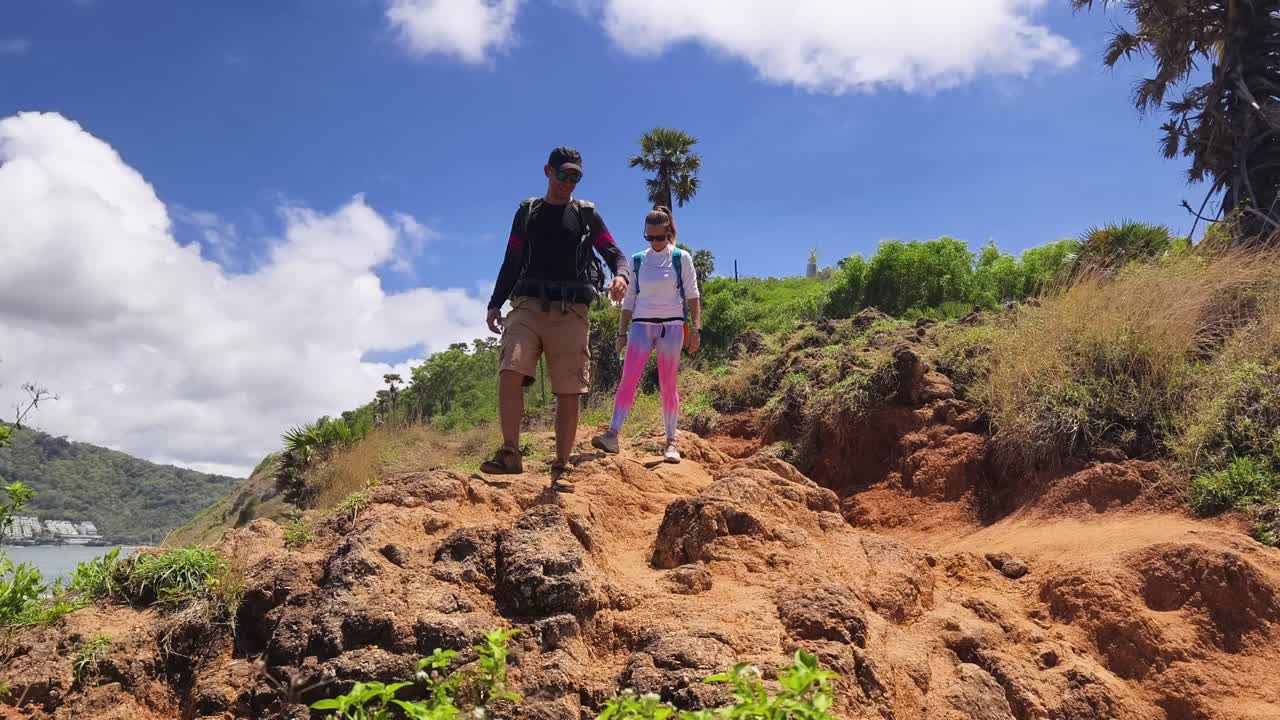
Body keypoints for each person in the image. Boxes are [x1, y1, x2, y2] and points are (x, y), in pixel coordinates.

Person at [481, 146, 628, 490]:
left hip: (571, 310)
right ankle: (510, 453)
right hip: (527, 305)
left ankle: (561, 465)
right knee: (510, 370)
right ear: (548, 171)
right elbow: (511, 259)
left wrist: (621, 275)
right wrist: (494, 303)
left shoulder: (587, 215)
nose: (569, 182)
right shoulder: (527, 212)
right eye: (563, 175)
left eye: (576, 176)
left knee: (569, 388)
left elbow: (614, 253)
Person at [591, 206, 701, 463]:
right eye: (649, 237)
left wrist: (696, 329)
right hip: (641, 324)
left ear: (669, 232)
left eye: (659, 237)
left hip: (672, 326)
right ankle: (613, 433)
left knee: (668, 383)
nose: (655, 242)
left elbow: (693, 295)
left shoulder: (681, 258)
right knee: (628, 379)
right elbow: (629, 300)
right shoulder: (638, 260)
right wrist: (621, 333)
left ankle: (671, 441)